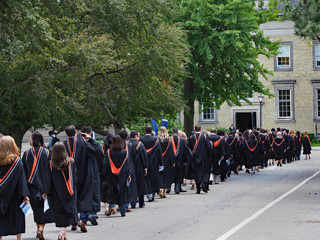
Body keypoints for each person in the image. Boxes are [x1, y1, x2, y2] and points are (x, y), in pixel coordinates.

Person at [63, 125, 98, 232]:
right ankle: (82, 219)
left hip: (69, 175)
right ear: (76, 133)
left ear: (66, 134)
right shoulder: (83, 143)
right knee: (84, 197)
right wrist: (90, 139)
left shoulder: (63, 145)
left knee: (72, 198)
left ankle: (74, 222)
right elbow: (96, 150)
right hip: (84, 174)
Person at [22, 132, 54, 240]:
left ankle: (38, 229)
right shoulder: (48, 152)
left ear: (33, 140)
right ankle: (41, 229)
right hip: (45, 185)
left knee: (36, 209)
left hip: (31, 186)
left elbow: (24, 171)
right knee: (43, 209)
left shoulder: (26, 154)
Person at [0, 136, 29, 240]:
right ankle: (19, 238)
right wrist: (25, 195)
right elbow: (22, 180)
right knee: (17, 218)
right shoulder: (17, 161)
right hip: (14, 196)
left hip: (1, 198)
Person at [48, 142, 77, 240]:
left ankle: (63, 233)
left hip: (56, 193)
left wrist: (46, 192)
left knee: (60, 214)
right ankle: (62, 233)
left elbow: (48, 180)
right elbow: (74, 178)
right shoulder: (70, 162)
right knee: (67, 213)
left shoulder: (51, 164)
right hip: (68, 192)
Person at [104, 135, 134, 217]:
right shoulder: (125, 152)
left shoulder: (108, 152)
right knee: (122, 192)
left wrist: (105, 174)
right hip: (122, 176)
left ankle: (111, 207)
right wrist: (128, 175)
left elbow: (106, 165)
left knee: (112, 191)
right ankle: (123, 210)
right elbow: (127, 165)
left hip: (111, 176)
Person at [80, 126, 104, 226]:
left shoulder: (78, 143)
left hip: (81, 172)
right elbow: (100, 154)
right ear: (90, 133)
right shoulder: (92, 144)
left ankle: (83, 217)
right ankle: (92, 214)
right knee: (94, 193)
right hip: (93, 171)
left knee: (83, 194)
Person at [140, 125, 163, 202]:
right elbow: (159, 152)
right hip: (154, 162)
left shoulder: (141, 140)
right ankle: (152, 193)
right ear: (151, 131)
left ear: (145, 131)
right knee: (153, 178)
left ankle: (147, 193)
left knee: (146, 179)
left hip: (143, 162)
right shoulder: (155, 140)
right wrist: (161, 163)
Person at [187, 125, 211, 193]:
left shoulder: (191, 138)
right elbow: (208, 147)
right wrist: (209, 156)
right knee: (204, 172)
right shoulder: (205, 136)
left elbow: (189, 148)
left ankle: (198, 189)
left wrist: (191, 158)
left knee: (197, 173)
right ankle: (203, 183)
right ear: (200, 129)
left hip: (194, 158)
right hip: (204, 158)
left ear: (195, 130)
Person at [129, 131, 148, 208]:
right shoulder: (140, 145)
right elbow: (144, 157)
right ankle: (141, 202)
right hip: (139, 167)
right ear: (135, 136)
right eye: (139, 136)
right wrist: (145, 167)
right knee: (140, 184)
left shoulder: (127, 144)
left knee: (132, 185)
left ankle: (133, 203)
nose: (139, 138)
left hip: (131, 167)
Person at [158, 126, 174, 197]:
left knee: (160, 176)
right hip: (167, 160)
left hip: (159, 160)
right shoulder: (169, 140)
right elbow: (171, 152)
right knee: (166, 176)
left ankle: (160, 189)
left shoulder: (157, 140)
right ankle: (164, 192)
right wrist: (172, 161)